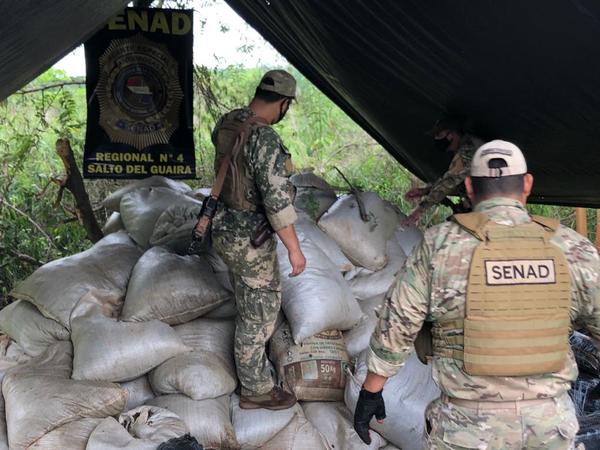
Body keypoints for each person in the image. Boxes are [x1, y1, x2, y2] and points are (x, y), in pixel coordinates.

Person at [354, 140, 600, 448]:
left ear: (469, 186)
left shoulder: (440, 245)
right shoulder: (572, 249)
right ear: (527, 184)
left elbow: (399, 321)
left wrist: (371, 390)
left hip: (466, 429)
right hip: (548, 427)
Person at [211, 69, 306, 410]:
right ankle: (255, 389)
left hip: (223, 227)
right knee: (261, 312)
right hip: (250, 237)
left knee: (247, 299)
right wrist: (295, 250)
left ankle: (254, 378)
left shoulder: (228, 122)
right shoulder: (264, 139)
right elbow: (276, 202)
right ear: (283, 104)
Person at [402, 117, 483, 225]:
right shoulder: (467, 146)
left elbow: (449, 182)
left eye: (439, 135)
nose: (437, 139)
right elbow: (454, 182)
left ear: (452, 134)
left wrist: (420, 210)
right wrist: (425, 191)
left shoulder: (468, 150)